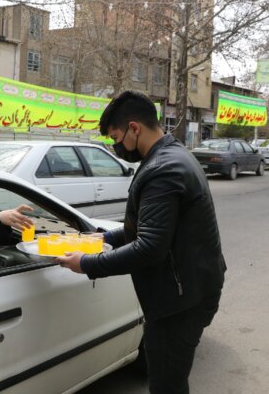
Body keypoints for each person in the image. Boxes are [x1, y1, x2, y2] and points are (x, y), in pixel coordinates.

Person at [57, 90, 226, 394]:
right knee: (172, 380)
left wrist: (86, 264)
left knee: (166, 386)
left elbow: (149, 247)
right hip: (192, 290)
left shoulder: (162, 169)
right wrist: (104, 238)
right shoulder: (172, 155)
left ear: (134, 128)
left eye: (116, 137)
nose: (116, 146)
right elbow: (151, 228)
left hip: (179, 303)